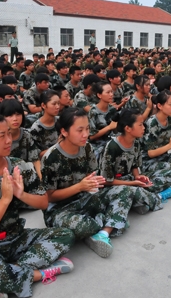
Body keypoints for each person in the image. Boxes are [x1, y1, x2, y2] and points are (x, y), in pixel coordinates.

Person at [0, 111, 75, 298]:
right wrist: (5, 200)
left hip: (16, 237)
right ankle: (40, 274)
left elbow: (44, 202)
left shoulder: (18, 166)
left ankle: (8, 275)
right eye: (1, 135)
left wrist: (20, 194)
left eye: (8, 133)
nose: (9, 140)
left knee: (66, 235)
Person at [41, 107, 134, 258]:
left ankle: (103, 233)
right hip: (61, 209)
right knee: (79, 226)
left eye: (87, 128)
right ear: (64, 132)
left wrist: (92, 186)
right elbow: (49, 197)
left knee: (124, 191)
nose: (86, 134)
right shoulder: (51, 158)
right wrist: (79, 187)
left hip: (84, 198)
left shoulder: (87, 148)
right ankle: (114, 221)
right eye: (80, 130)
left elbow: (92, 180)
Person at [99, 108, 171, 214]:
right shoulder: (112, 147)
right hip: (114, 186)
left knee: (168, 173)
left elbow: (134, 165)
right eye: (140, 125)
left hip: (130, 180)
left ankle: (139, 201)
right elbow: (106, 181)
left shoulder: (135, 143)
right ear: (128, 128)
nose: (144, 127)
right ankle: (157, 197)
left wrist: (137, 177)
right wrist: (132, 183)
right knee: (129, 191)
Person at [0, 99, 42, 179]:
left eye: (18, 114)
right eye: (10, 116)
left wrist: (41, 178)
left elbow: (35, 159)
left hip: (25, 176)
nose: (15, 119)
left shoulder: (26, 135)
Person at [88, 81, 118, 159]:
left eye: (111, 91)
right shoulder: (93, 112)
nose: (111, 94)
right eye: (108, 92)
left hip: (111, 140)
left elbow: (116, 130)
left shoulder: (112, 109)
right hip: (97, 145)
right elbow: (91, 136)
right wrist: (109, 127)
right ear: (99, 95)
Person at [28, 90, 60, 162]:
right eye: (54, 104)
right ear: (43, 105)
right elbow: (38, 155)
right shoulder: (36, 129)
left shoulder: (61, 121)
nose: (57, 107)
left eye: (58, 103)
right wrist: (58, 146)